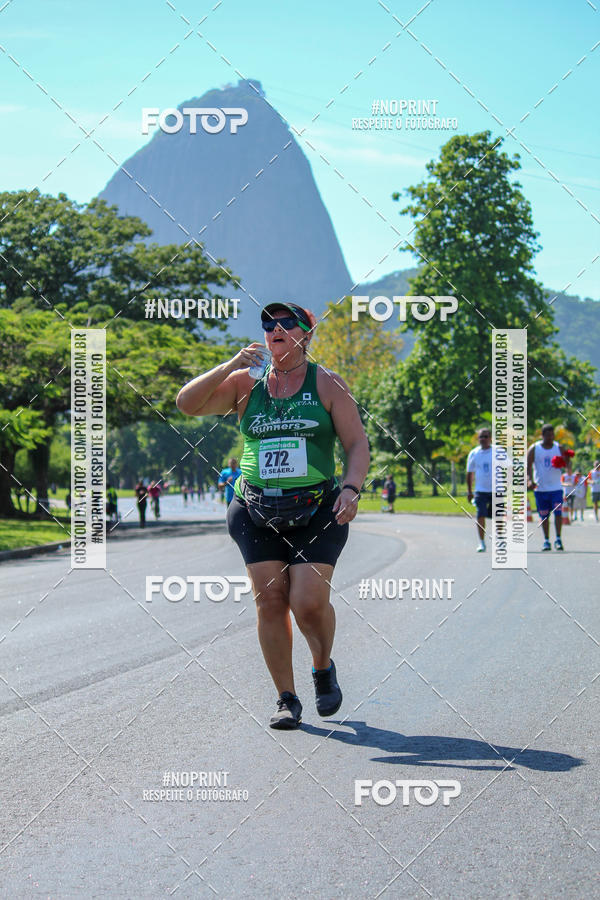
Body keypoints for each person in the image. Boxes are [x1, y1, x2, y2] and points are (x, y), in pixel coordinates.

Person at [176, 302, 370, 730]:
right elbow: (187, 403)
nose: (275, 329)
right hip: (255, 508)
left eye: (285, 323)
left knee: (307, 602)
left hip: (317, 508)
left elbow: (357, 444)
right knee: (270, 601)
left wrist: (352, 489)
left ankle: (322, 667)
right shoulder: (246, 383)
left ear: (306, 334)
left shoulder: (328, 385)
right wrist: (230, 363)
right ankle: (287, 699)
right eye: (268, 324)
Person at [527, 424, 572, 551]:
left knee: (558, 514)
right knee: (544, 516)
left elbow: (568, 463)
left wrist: (567, 459)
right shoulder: (534, 448)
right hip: (540, 489)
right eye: (547, 435)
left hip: (556, 488)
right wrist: (529, 480)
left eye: (552, 435)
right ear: (542, 436)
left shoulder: (559, 447)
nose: (550, 437)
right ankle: (546, 540)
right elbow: (528, 466)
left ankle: (558, 539)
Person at [466, 427, 494, 552]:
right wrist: (469, 491)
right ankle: (482, 542)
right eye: (481, 437)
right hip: (480, 490)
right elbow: (469, 473)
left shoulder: (497, 452)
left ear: (490, 438)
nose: (483, 439)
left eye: (486, 436)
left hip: (496, 489)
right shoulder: (474, 453)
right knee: (480, 515)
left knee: (498, 516)